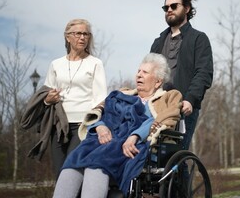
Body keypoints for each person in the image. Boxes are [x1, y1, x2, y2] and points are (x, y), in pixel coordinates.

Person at [52, 53, 182, 198]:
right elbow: (98, 113)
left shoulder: (167, 98)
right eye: (138, 71)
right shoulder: (122, 94)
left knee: (97, 163)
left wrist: (135, 136)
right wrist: (100, 127)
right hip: (103, 139)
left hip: (132, 144)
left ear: (158, 81)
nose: (138, 75)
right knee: (73, 160)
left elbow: (163, 119)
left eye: (144, 72)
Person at [21, 18, 107, 179]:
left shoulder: (95, 63)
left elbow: (100, 98)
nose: (82, 37)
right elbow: (46, 96)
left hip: (82, 126)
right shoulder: (55, 64)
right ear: (68, 37)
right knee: (59, 174)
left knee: (71, 172)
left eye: (86, 34)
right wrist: (48, 100)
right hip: (58, 126)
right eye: (78, 33)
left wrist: (95, 123)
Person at [150, 0, 213, 150]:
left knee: (176, 155)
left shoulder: (198, 39)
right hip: (157, 106)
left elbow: (204, 73)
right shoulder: (158, 42)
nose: (169, 10)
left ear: (186, 8)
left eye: (173, 6)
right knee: (153, 156)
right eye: (166, 8)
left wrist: (190, 99)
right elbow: (150, 73)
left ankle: (181, 176)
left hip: (183, 106)